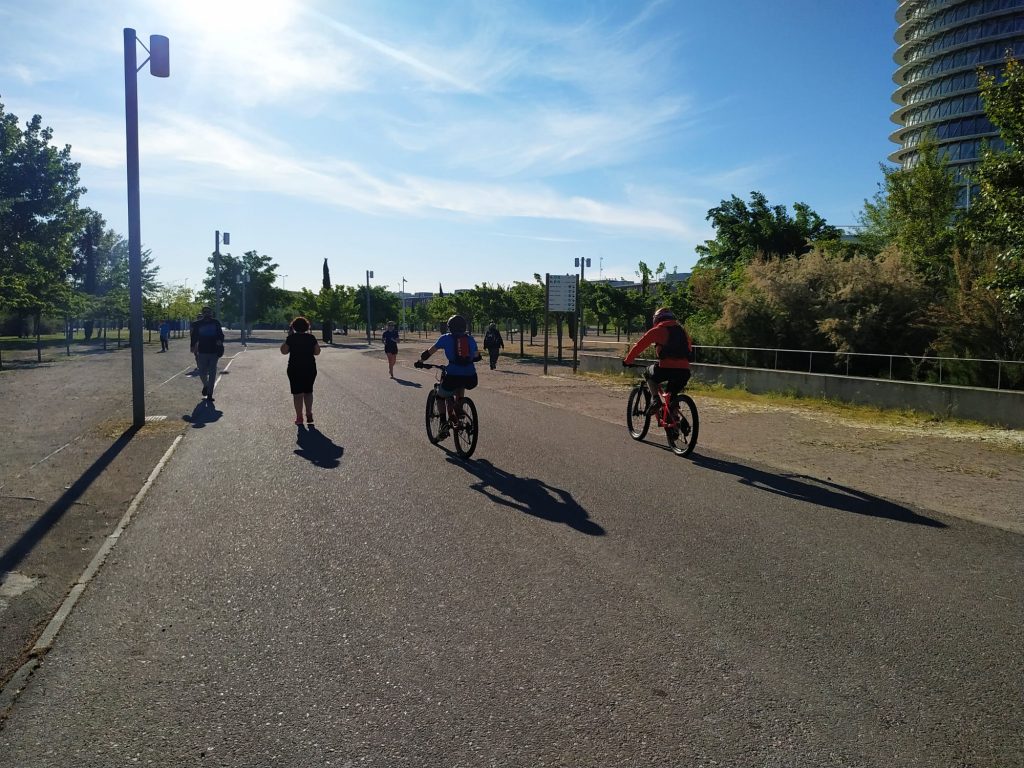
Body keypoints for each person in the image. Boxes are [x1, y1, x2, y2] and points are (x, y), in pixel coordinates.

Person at [414, 314, 480, 435]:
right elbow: (477, 357)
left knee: (440, 396)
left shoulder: (445, 338)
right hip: (471, 377)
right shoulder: (470, 339)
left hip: (453, 375)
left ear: (449, 327)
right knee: (461, 385)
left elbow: (429, 352)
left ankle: (443, 423)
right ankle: (459, 407)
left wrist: (420, 362)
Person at [622, 306, 693, 419]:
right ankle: (675, 425)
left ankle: (655, 400)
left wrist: (627, 360)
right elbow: (689, 349)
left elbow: (639, 346)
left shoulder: (658, 330)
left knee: (648, 373)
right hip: (684, 371)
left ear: (656, 319)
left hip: (665, 368)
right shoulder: (682, 331)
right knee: (672, 397)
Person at [280, 316, 320, 425]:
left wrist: (288, 337)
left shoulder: (291, 338)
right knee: (308, 391)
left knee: (297, 394)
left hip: (294, 368)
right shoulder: (311, 338)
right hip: (309, 368)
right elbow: (317, 352)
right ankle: (309, 413)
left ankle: (299, 417)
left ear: (293, 327)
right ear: (307, 326)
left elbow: (283, 351)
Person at [190, 306, 224, 403]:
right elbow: (194, 336)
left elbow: (221, 335)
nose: (207, 313)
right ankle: (206, 385)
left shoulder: (216, 323)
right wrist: (192, 346)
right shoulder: (197, 324)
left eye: (209, 312)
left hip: (214, 351)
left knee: (212, 373)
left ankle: (210, 394)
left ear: (211, 313)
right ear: (203, 313)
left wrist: (220, 341)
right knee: (202, 372)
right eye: (205, 312)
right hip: (202, 351)